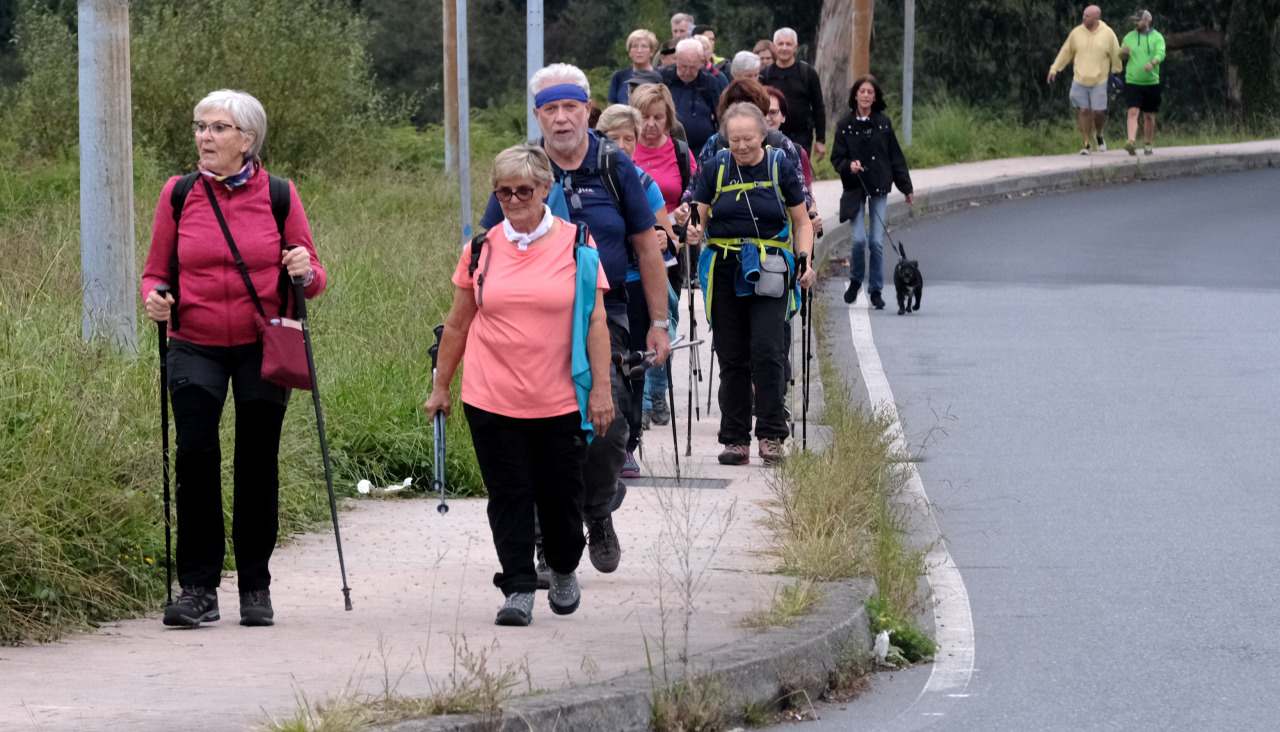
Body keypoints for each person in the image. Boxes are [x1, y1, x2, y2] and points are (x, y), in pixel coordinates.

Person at [141, 89, 326, 629]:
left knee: (256, 463)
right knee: (195, 459)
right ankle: (198, 588)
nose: (204, 137)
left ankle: (254, 587)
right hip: (193, 342)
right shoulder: (178, 195)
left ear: (247, 140)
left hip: (260, 347)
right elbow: (156, 270)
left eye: (218, 128)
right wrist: (156, 296)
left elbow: (313, 278)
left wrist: (302, 269)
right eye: (200, 126)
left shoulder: (280, 196)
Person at [478, 64, 670, 578]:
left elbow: (647, 246)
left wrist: (659, 321)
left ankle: (599, 508)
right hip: (530, 322)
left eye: (570, 108)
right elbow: (486, 247)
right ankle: (545, 543)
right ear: (538, 114)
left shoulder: (613, 165)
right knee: (537, 431)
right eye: (549, 109)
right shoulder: (523, 168)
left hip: (604, 314)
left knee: (606, 432)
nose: (561, 119)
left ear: (588, 109)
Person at [425, 145, 613, 627]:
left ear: (545, 189)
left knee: (561, 495)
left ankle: (565, 565)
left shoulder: (579, 245)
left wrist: (601, 391)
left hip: (559, 398)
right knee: (508, 494)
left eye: (523, 190)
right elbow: (458, 324)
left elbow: (595, 322)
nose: (512, 200)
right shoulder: (481, 250)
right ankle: (518, 588)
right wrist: (441, 385)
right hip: (491, 397)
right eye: (502, 191)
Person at [685, 103, 815, 466]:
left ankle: (772, 434)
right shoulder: (715, 168)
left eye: (748, 139)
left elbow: (801, 221)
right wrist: (693, 231)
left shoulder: (779, 166)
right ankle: (735, 439)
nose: (741, 146)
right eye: (734, 139)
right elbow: (698, 215)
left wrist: (805, 258)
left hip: (771, 267)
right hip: (724, 267)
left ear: (763, 135)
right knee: (731, 354)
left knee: (769, 350)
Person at [596, 103, 683, 461]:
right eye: (612, 137)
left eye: (627, 138)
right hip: (595, 284)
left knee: (633, 365)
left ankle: (628, 445)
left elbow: (670, 239)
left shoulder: (644, 184)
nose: (620, 144)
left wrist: (664, 239)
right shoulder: (587, 181)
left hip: (635, 283)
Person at [831, 75, 914, 309]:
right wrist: (849, 166)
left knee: (876, 242)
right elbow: (836, 158)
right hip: (855, 187)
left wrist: (906, 188)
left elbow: (896, 157)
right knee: (858, 239)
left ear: (875, 97)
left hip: (879, 185)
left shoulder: (883, 123)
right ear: (855, 96)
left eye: (870, 92)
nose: (866, 95)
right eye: (862, 91)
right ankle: (856, 280)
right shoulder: (845, 125)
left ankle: (876, 289)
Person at [1048, 4, 1122, 155]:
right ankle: (1087, 143)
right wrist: (1055, 68)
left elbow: (1116, 53)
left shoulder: (1108, 33)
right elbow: (1066, 51)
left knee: (1098, 112)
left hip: (1099, 80)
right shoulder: (1076, 33)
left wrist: (1116, 72)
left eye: (1087, 16)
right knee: (1084, 110)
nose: (1084, 18)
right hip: (1080, 79)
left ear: (1097, 18)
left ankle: (1099, 135)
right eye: (1083, 15)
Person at [759, 28, 826, 161]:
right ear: (773, 46)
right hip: (771, 134)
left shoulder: (808, 73)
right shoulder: (765, 75)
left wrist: (821, 139)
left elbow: (818, 106)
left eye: (788, 44)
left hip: (802, 136)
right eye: (780, 44)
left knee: (798, 176)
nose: (784, 48)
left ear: (795, 47)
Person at [764, 86, 822, 236]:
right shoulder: (739, 150)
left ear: (783, 116)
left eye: (773, 112)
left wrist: (813, 216)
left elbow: (809, 197)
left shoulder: (795, 152)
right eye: (761, 111)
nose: (766, 117)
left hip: (789, 239)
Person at [661, 39, 726, 156]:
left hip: (702, 148)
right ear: (676, 60)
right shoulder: (663, 78)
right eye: (682, 67)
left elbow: (720, 116)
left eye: (692, 68)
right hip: (668, 146)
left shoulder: (710, 82)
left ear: (701, 62)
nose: (687, 72)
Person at [1119, 9, 1165, 156]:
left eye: (1138, 20)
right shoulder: (1129, 37)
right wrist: (1122, 53)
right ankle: (1131, 141)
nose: (1135, 23)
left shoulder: (1157, 37)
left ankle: (1148, 143)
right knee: (1133, 111)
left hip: (1151, 82)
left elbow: (1161, 53)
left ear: (1147, 21)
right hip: (1132, 81)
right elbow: (1119, 56)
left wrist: (1152, 63)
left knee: (1149, 116)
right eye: (1134, 20)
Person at [608, 29, 660, 105]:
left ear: (652, 52)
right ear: (630, 52)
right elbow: (611, 109)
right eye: (635, 46)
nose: (639, 50)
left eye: (644, 46)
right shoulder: (619, 77)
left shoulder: (661, 77)